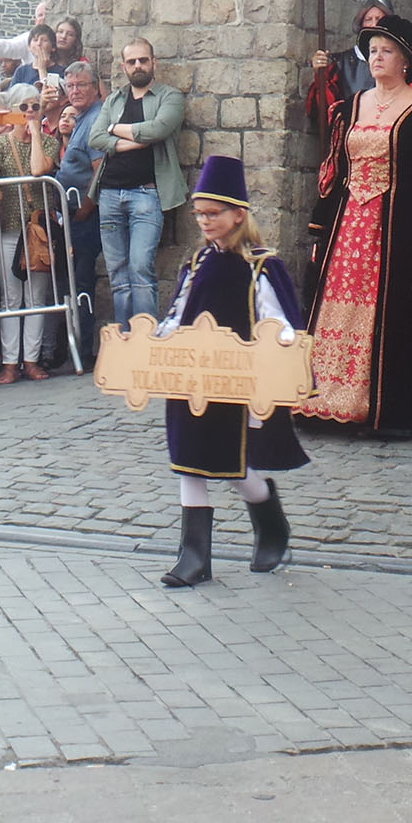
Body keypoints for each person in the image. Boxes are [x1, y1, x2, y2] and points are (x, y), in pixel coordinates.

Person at [298, 16, 412, 436]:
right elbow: (334, 170)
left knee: (399, 308)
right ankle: (331, 393)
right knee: (340, 303)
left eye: (387, 51)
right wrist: (318, 226)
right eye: (373, 51)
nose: (377, 58)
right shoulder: (349, 107)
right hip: (349, 224)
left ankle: (385, 402)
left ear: (406, 62)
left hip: (402, 222)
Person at [155, 155, 307, 589]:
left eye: (213, 213)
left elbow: (278, 322)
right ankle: (194, 556)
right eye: (199, 214)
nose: (204, 221)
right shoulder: (197, 263)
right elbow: (177, 314)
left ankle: (271, 523)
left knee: (231, 463)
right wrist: (157, 343)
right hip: (189, 377)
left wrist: (280, 351)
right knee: (188, 461)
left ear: (238, 214)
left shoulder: (260, 266)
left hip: (235, 381)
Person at [85, 38, 188, 323]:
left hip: (146, 194)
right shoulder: (115, 99)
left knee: (141, 269)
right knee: (117, 273)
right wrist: (130, 141)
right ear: (124, 67)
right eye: (132, 62)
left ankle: (144, 339)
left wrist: (114, 129)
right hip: (109, 194)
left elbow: (158, 129)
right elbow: (95, 137)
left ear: (154, 63)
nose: (138, 65)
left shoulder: (169, 97)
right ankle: (124, 338)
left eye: (143, 60)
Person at [0, 84, 58, 382]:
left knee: (36, 296)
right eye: (24, 107)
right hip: (8, 227)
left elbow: (38, 168)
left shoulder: (49, 142)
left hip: (36, 229)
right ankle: (9, 362)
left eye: (35, 107)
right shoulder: (3, 144)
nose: (30, 112)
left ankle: (31, 359)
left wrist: (36, 134)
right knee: (10, 297)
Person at [58, 61, 106, 365]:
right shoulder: (83, 118)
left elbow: (99, 171)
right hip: (74, 213)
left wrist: (83, 210)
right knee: (76, 282)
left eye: (81, 85)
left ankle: (84, 350)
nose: (75, 91)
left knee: (82, 282)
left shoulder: (96, 118)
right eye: (71, 85)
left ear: (95, 88)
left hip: (85, 216)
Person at [305, 0, 393, 127]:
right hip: (352, 133)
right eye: (369, 19)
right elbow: (324, 112)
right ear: (361, 25)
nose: (374, 24)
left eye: (379, 19)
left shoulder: (400, 63)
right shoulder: (341, 64)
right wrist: (321, 77)